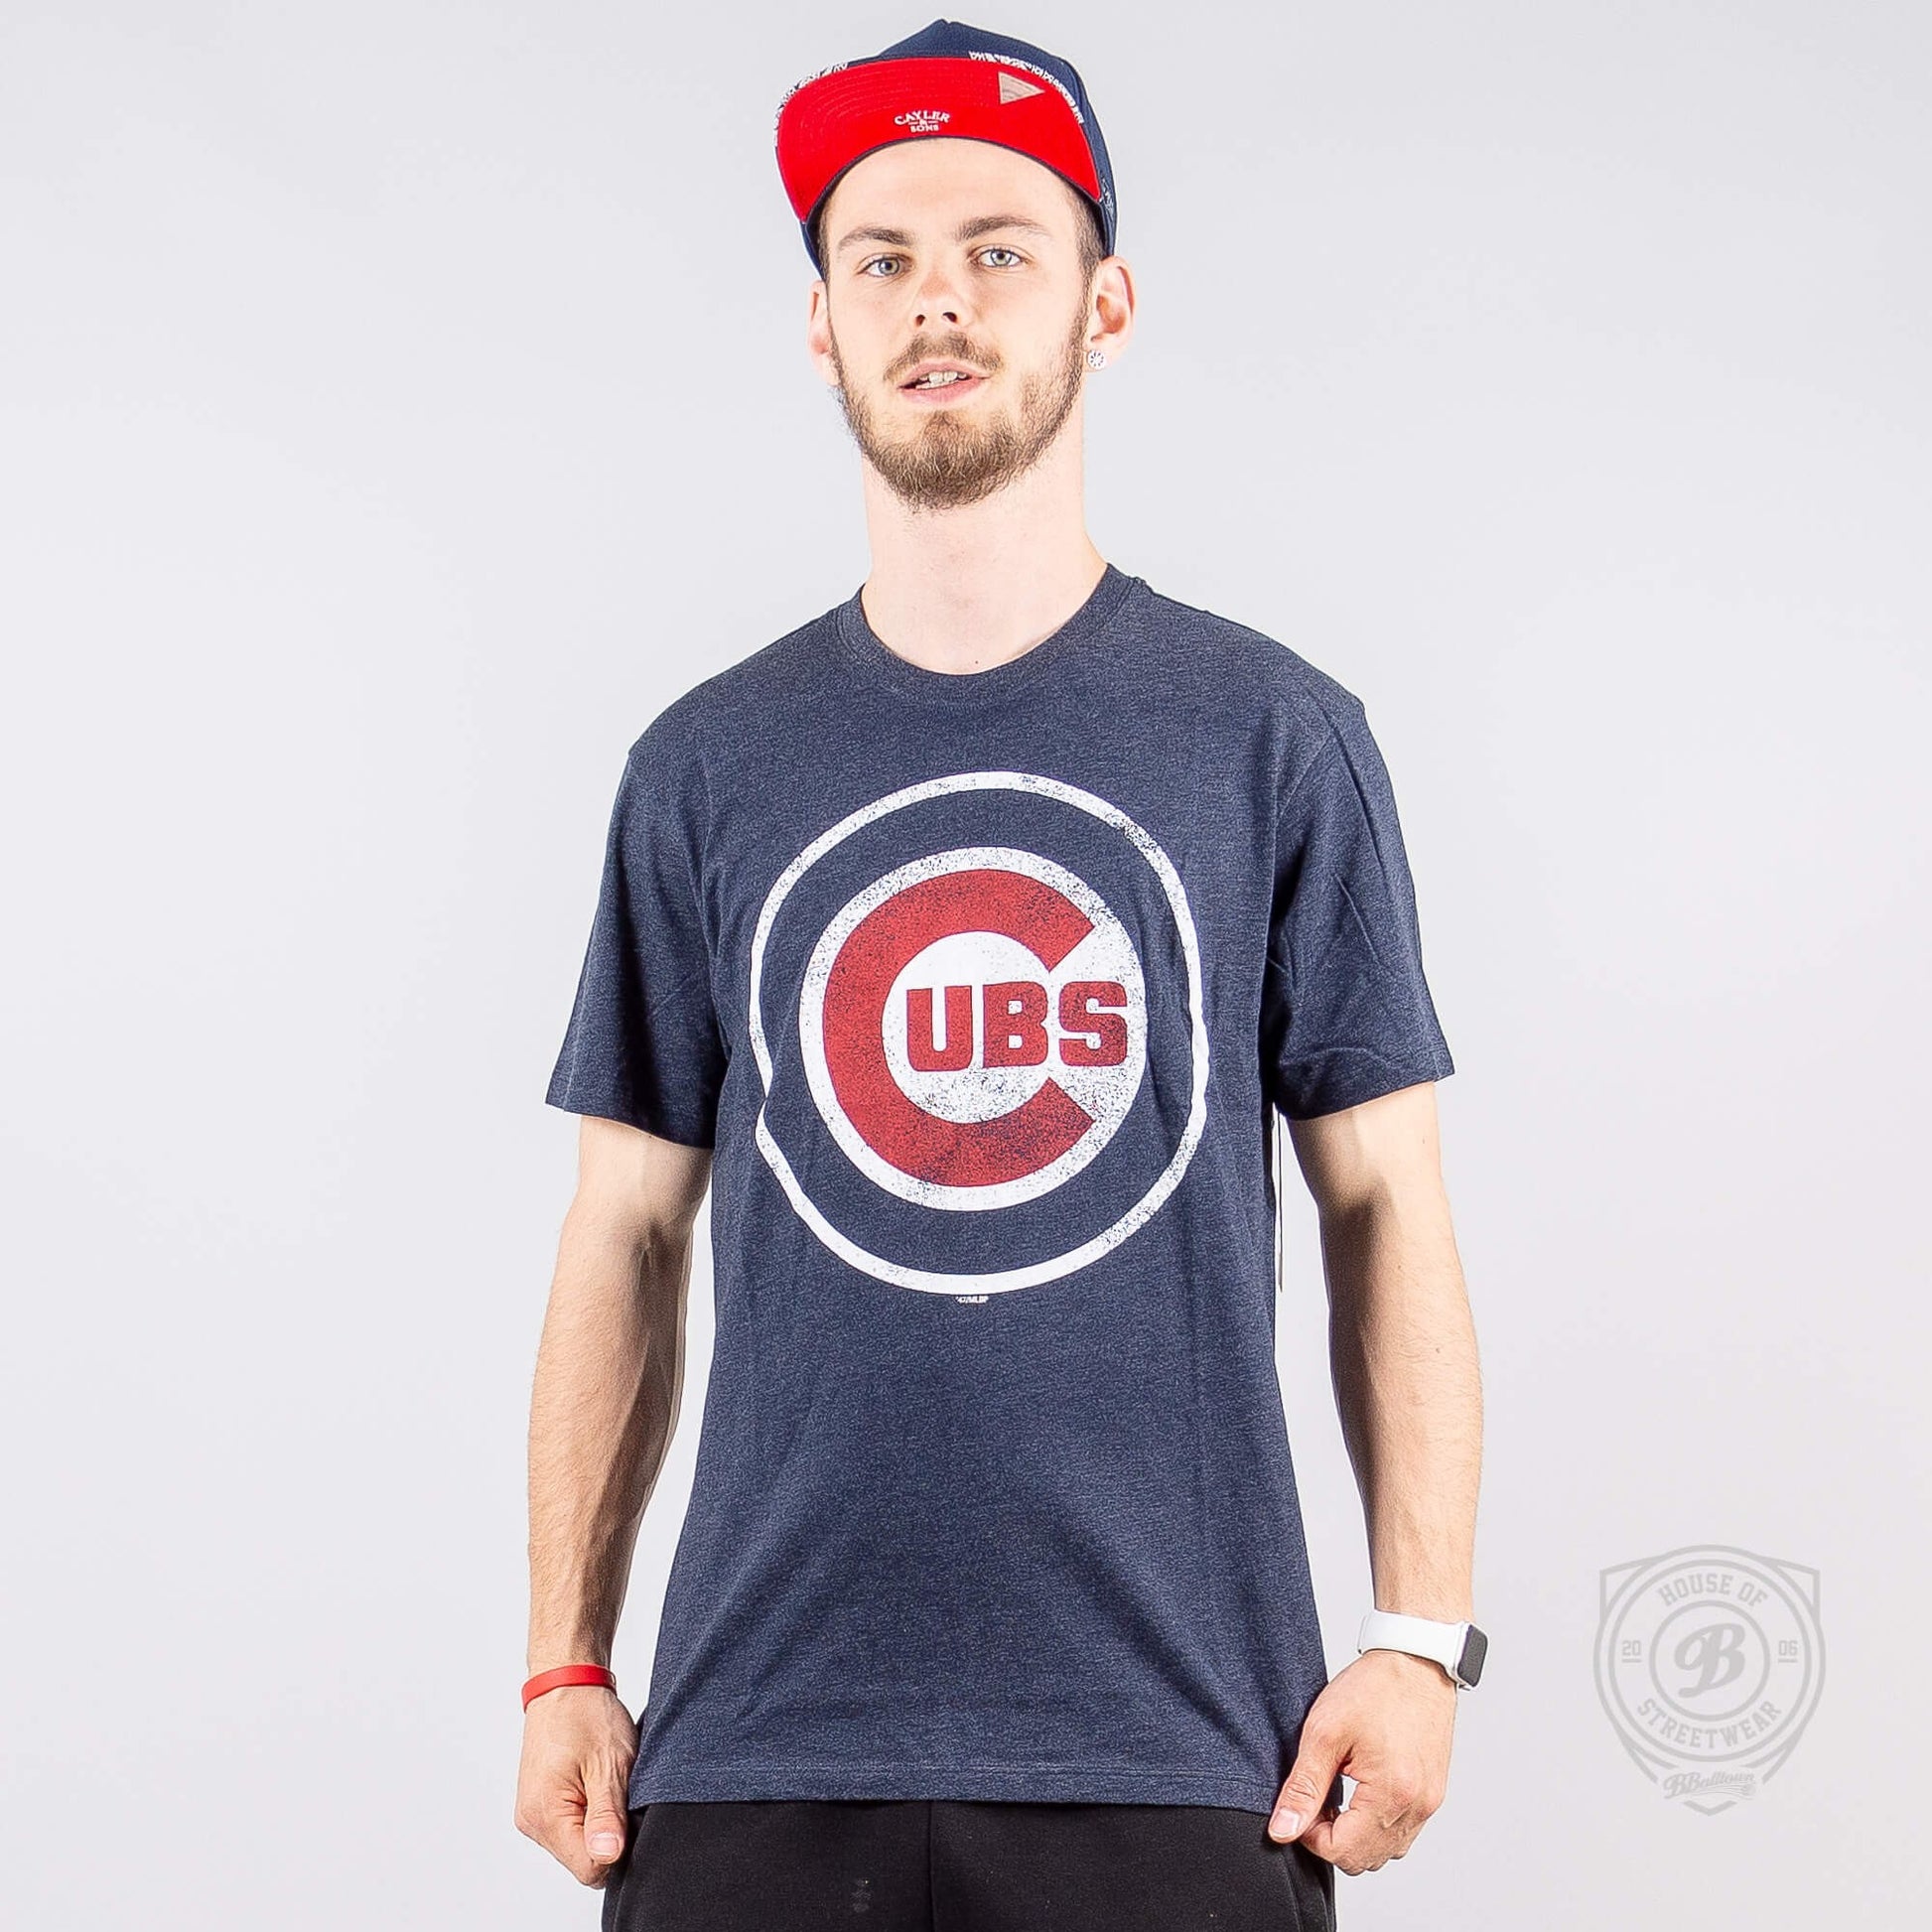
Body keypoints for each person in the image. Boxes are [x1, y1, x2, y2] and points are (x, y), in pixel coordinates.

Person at [514, 19, 1485, 1929]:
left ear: (1103, 303)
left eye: (997, 249)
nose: (936, 299)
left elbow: (1385, 1198)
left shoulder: (1270, 736)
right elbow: (619, 1227)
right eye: (880, 258)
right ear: (821, 326)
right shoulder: (702, 765)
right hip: (749, 1754)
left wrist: (1418, 1635)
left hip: (1186, 1753)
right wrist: (564, 1657)